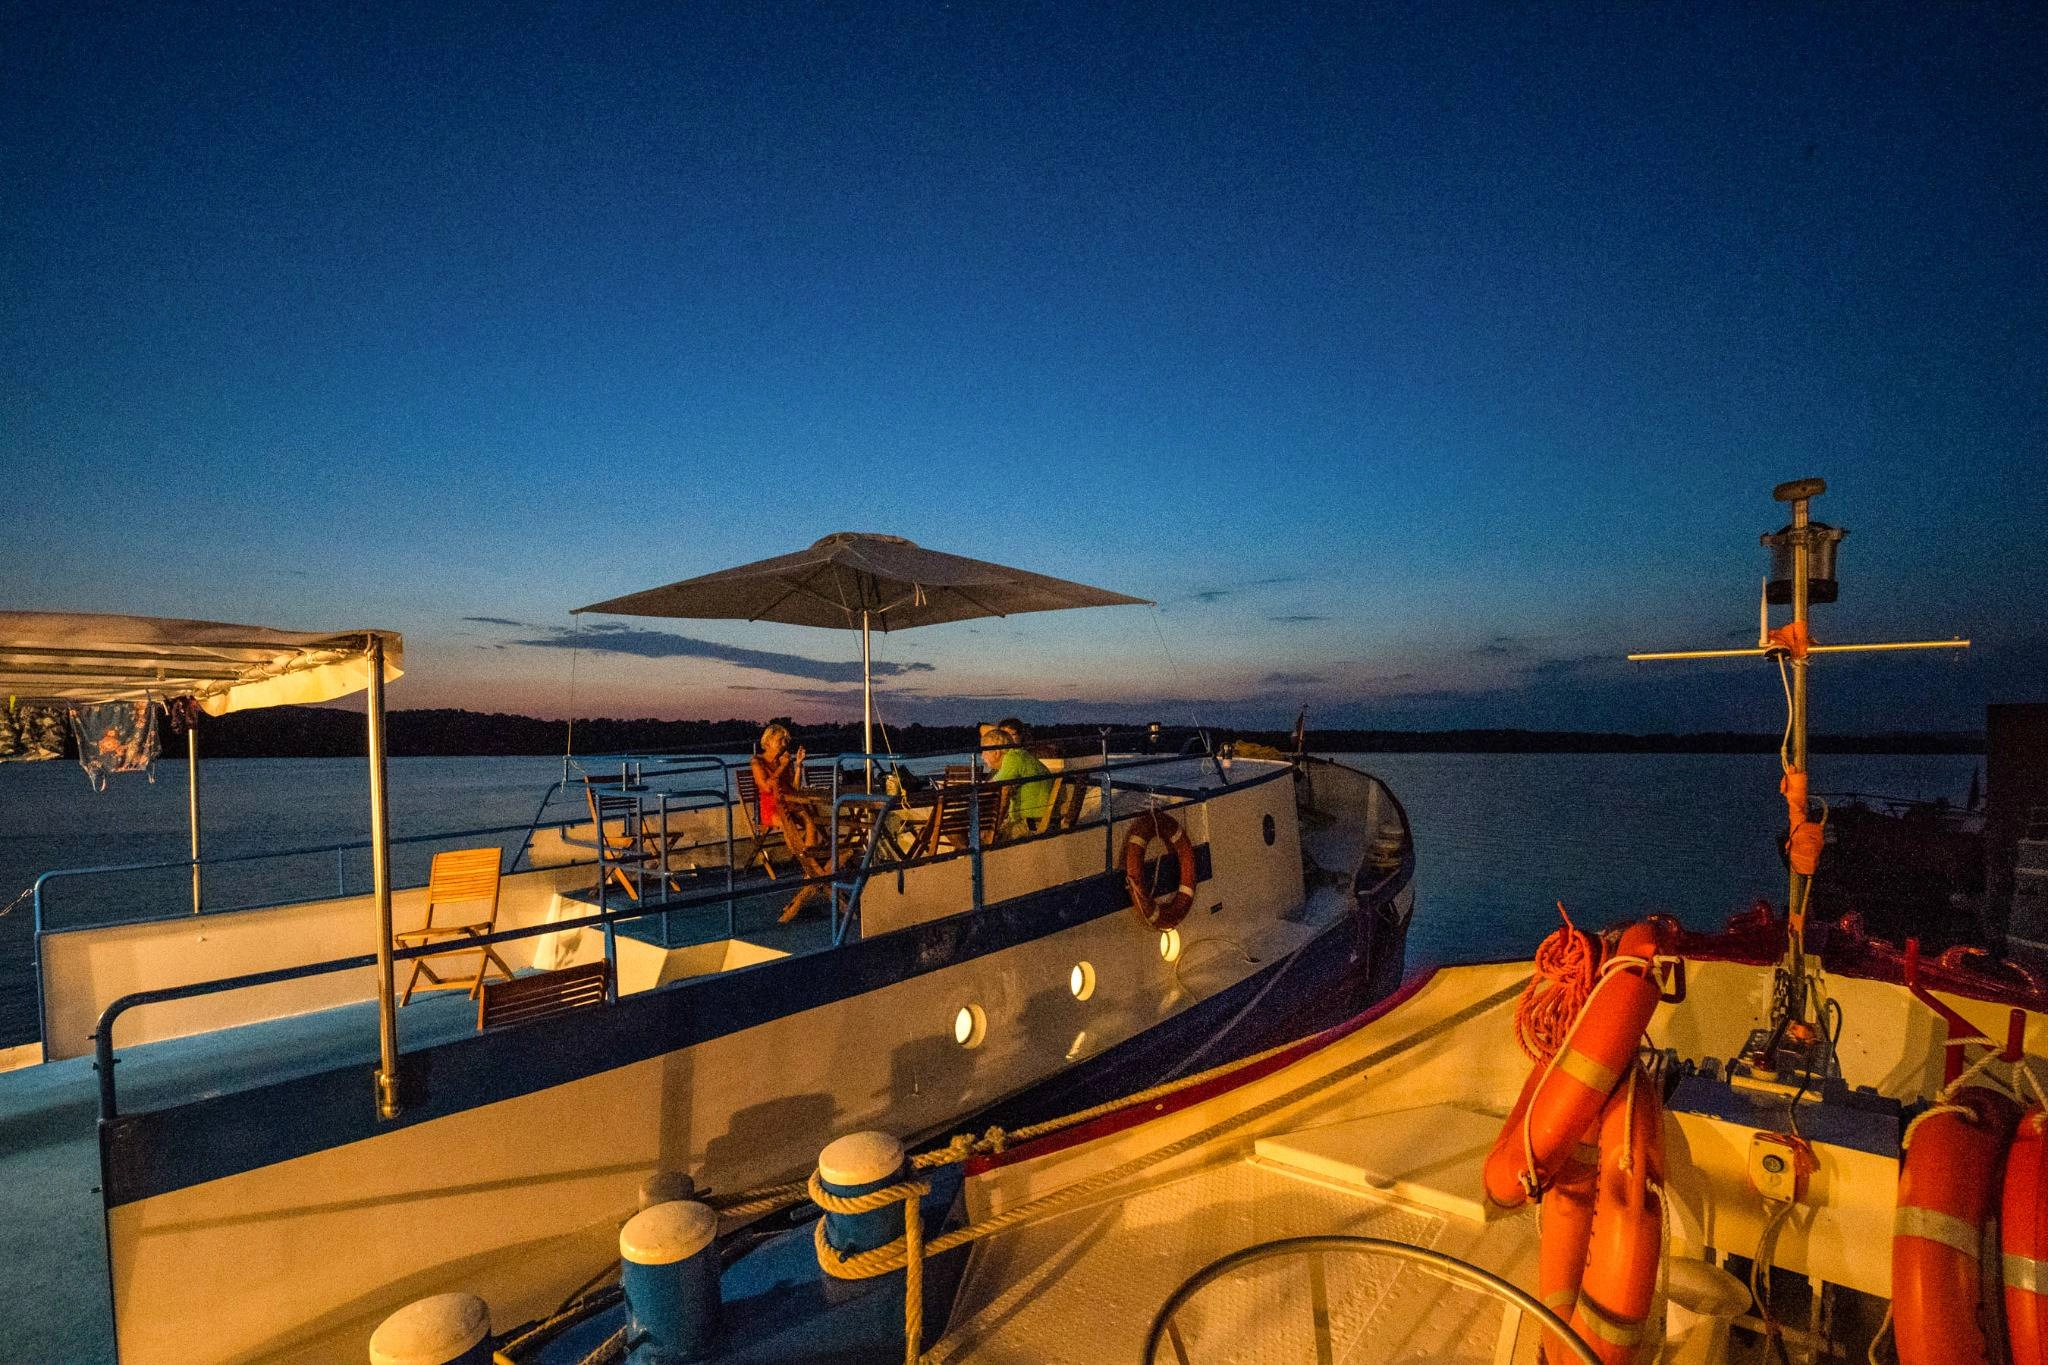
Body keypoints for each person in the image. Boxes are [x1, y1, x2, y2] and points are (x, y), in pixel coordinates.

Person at [753, 724, 830, 921]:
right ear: (768, 741)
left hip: (789, 802)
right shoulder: (757, 761)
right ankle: (810, 867)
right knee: (787, 825)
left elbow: (794, 787)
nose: (784, 744)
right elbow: (766, 787)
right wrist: (782, 767)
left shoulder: (784, 761)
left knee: (810, 820)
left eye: (786, 741)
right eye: (781, 740)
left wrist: (798, 765)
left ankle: (809, 867)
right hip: (771, 807)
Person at [983, 720, 1054, 836]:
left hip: (1032, 824)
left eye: (985, 752)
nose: (982, 756)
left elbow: (991, 789)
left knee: (987, 838)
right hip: (1039, 819)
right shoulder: (1022, 756)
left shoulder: (1014, 758)